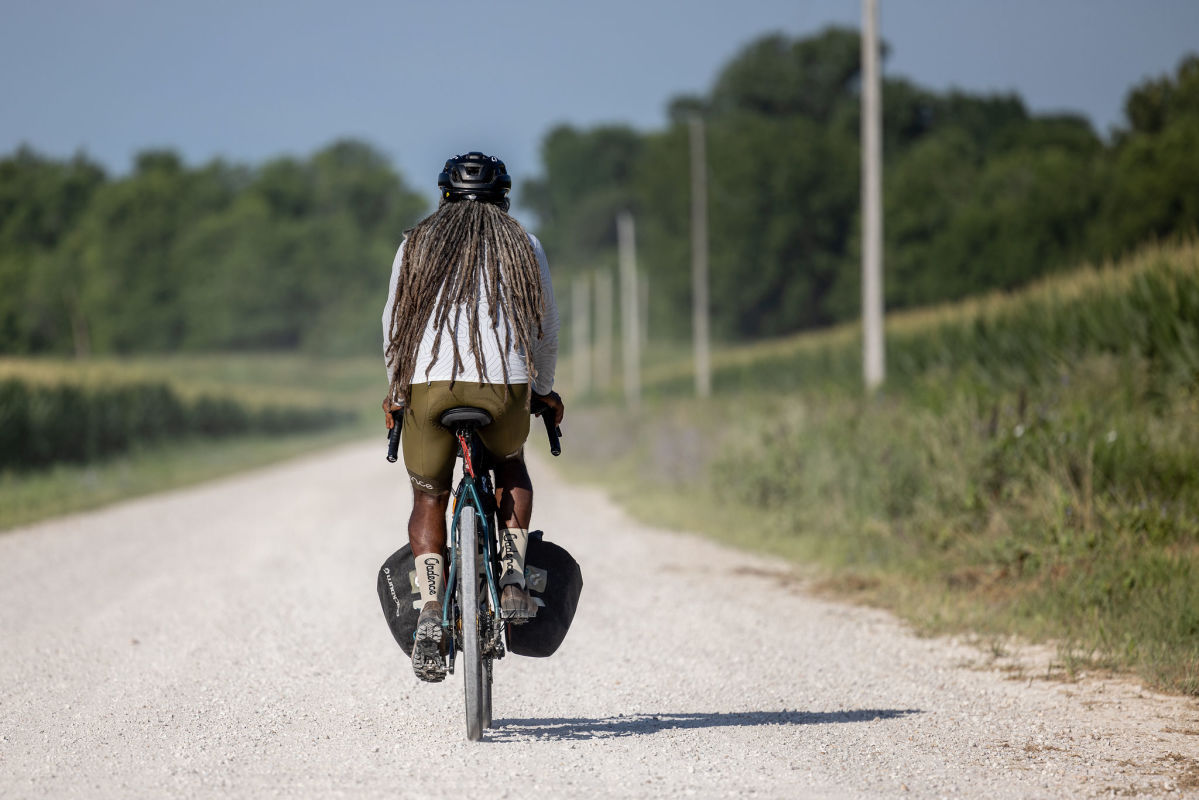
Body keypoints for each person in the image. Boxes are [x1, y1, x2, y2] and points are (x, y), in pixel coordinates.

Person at [381, 151, 564, 683]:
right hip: (504, 385)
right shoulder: (523, 244)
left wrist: (397, 389)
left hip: (429, 386)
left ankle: (433, 610)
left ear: (444, 197)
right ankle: (511, 578)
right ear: (503, 197)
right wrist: (544, 391)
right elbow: (546, 328)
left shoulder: (415, 244)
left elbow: (394, 325)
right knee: (510, 467)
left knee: (428, 492)